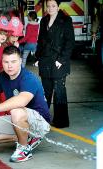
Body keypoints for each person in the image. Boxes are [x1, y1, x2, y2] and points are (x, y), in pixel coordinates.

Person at [34, 0, 75, 128]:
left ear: (58, 7)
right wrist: (38, 57)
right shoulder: (44, 20)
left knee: (59, 92)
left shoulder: (66, 20)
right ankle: (43, 120)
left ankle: (61, 121)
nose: (50, 8)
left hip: (58, 61)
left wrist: (61, 60)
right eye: (48, 6)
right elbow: (40, 40)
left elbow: (70, 42)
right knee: (45, 92)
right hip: (45, 61)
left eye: (53, 6)